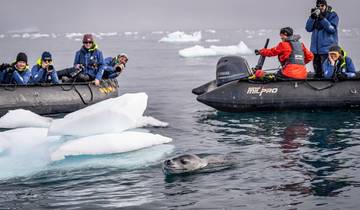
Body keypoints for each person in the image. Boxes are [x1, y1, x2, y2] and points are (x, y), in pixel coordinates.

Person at [305, 0, 339, 78]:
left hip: (327, 49)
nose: (320, 8)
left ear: (326, 6)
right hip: (315, 50)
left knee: (327, 73)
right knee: (318, 73)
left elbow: (332, 29)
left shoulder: (333, 15)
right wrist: (312, 17)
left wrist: (322, 19)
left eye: (322, 6)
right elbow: (308, 28)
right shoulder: (315, 15)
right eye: (318, 6)